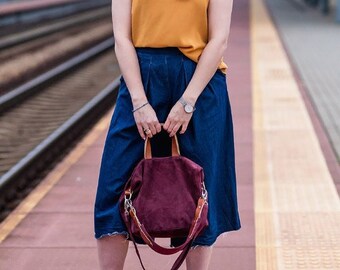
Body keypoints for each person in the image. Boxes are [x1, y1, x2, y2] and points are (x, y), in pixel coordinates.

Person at [94, 0, 241, 269]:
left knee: (201, 189)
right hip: (141, 78)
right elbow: (122, 37)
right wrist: (138, 101)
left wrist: (188, 101)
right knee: (113, 187)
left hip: (200, 83)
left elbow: (218, 39)